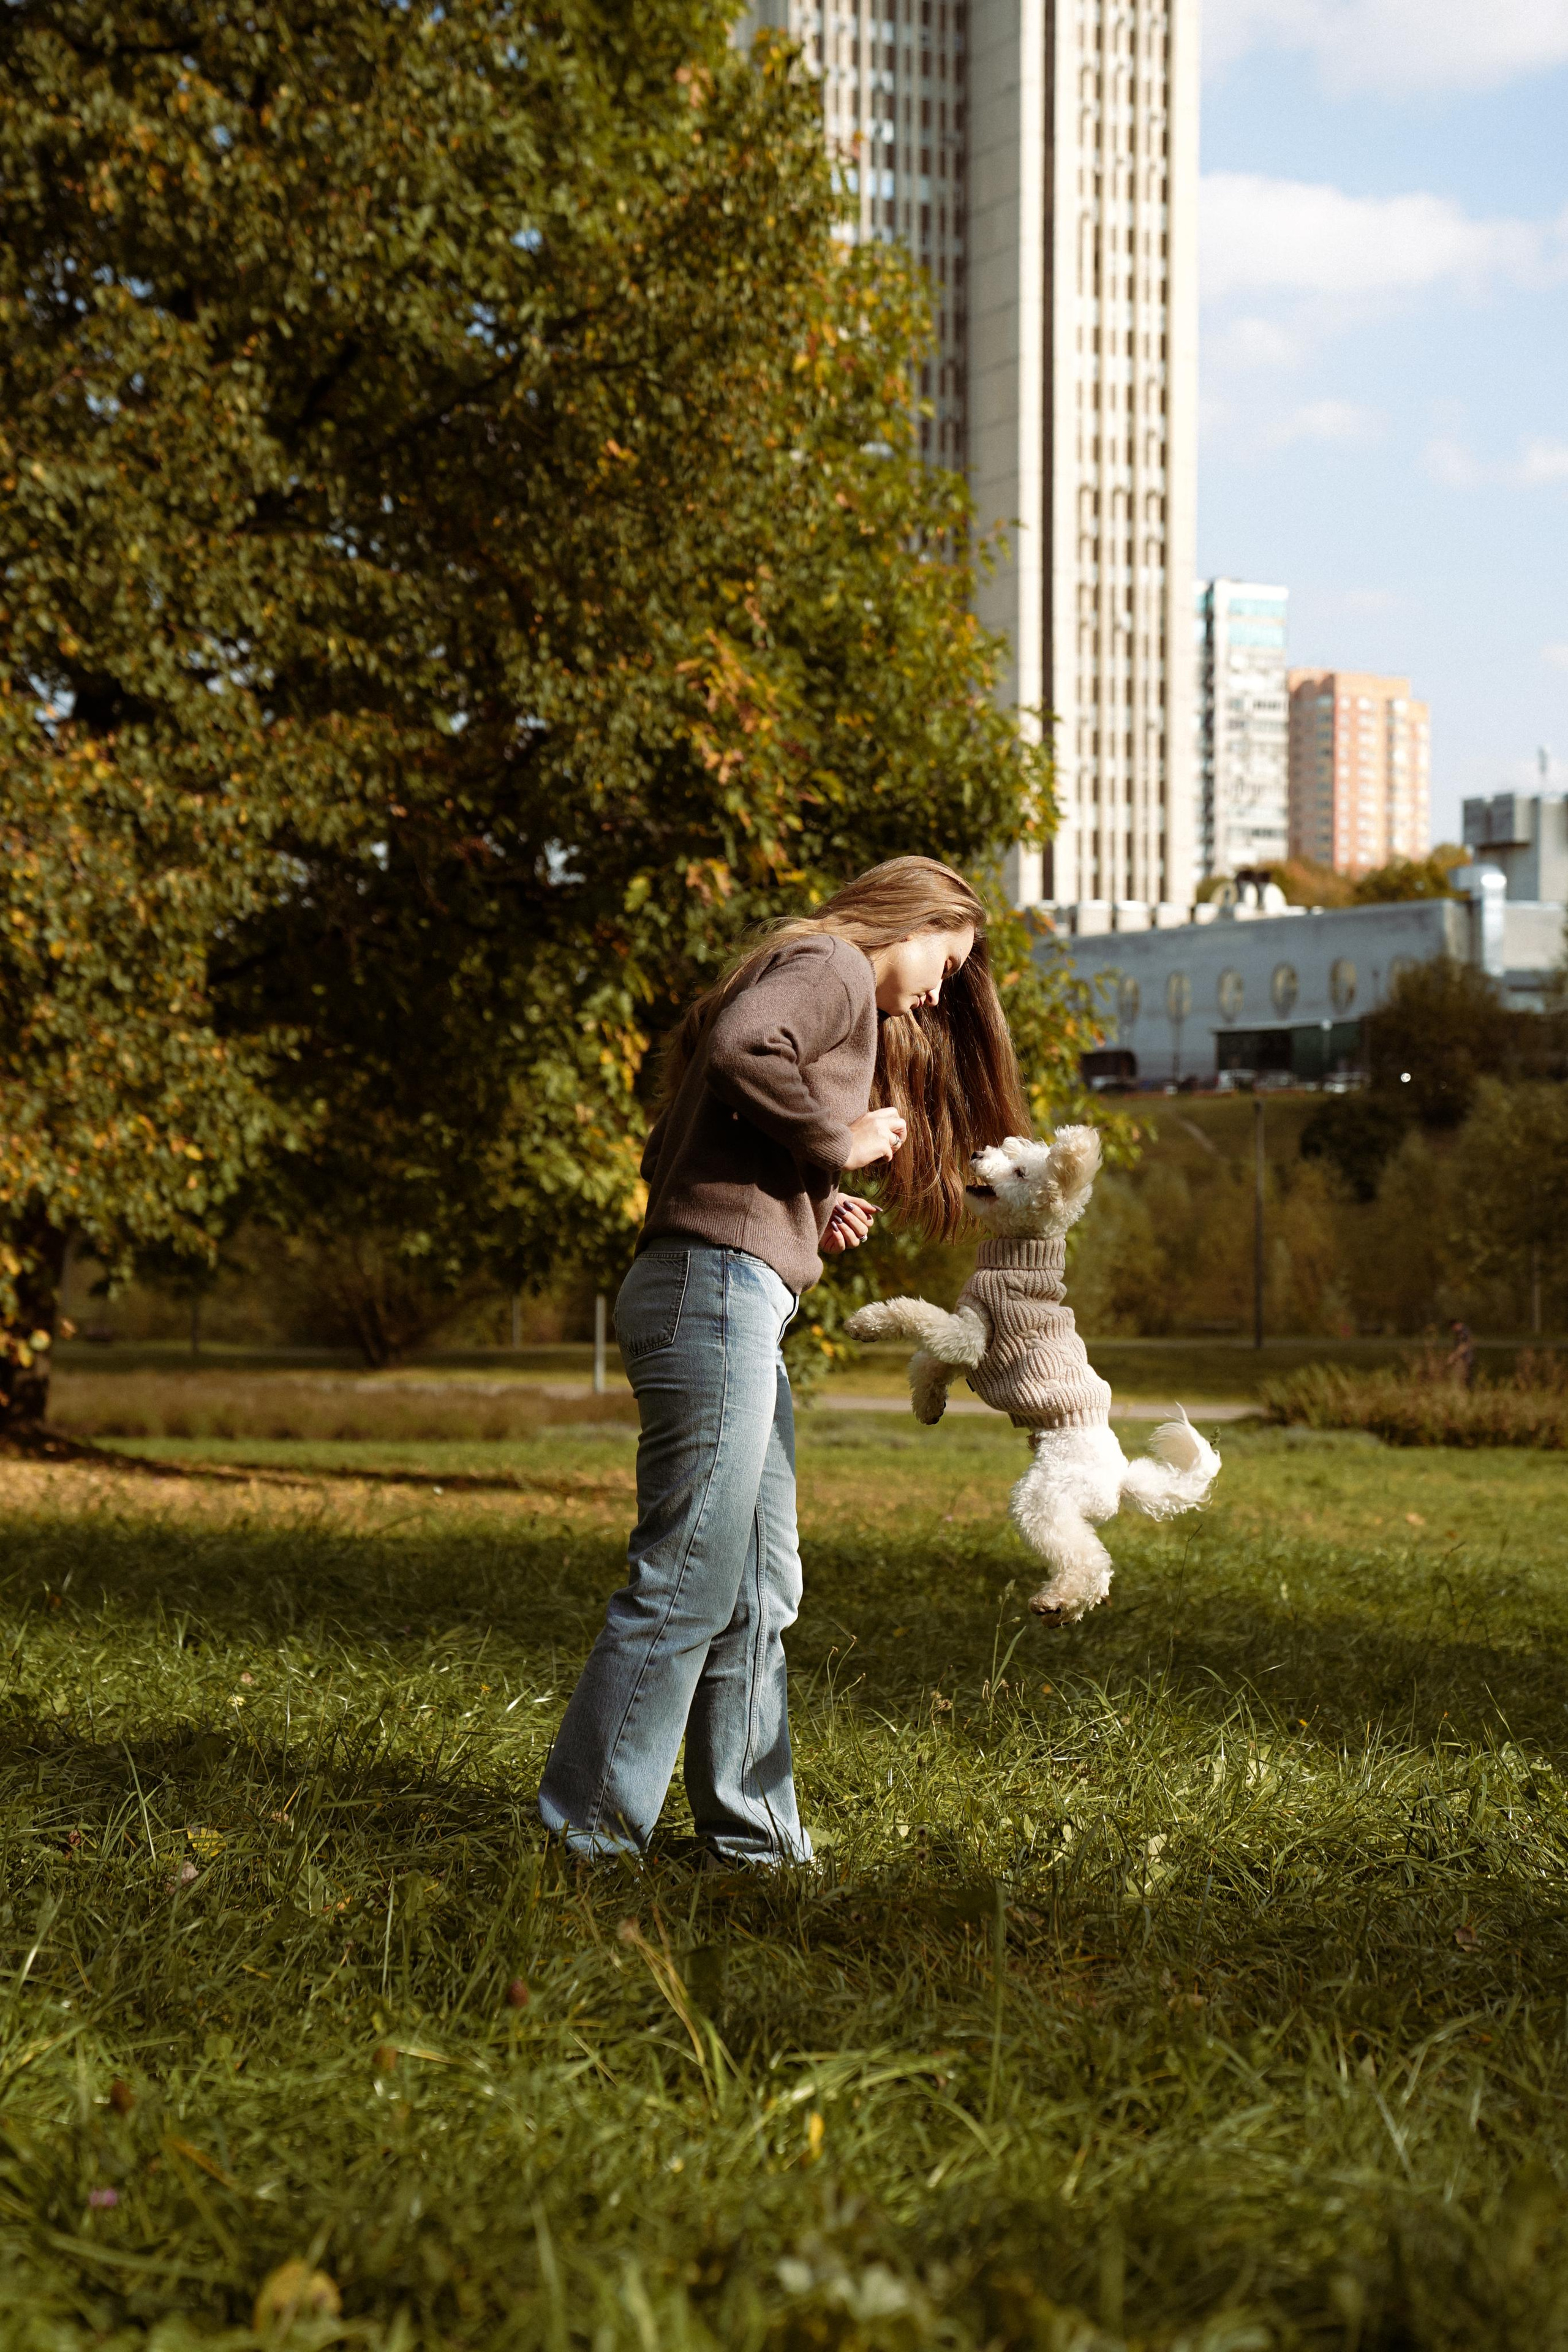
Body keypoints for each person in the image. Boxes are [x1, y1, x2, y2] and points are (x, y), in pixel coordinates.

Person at [537, 856, 1031, 1864]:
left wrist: (810, 1190)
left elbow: (690, 1143)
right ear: (913, 919)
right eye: (948, 956)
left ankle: (753, 1843)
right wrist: (834, 1138)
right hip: (709, 1291)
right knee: (686, 1578)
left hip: (730, 1290)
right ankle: (584, 1838)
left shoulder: (818, 974)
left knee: (760, 1588)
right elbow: (739, 1048)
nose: (941, 988)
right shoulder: (836, 963)